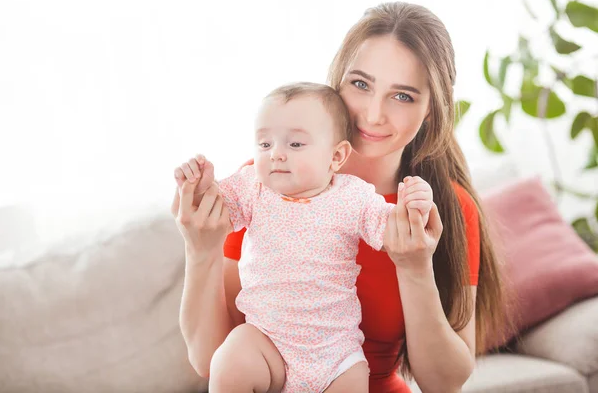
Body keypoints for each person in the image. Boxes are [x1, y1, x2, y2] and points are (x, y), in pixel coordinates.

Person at [172, 1, 508, 393]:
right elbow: (210, 359)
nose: (373, 114)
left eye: (403, 96)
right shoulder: (271, 180)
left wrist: (414, 268)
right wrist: (201, 252)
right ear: (337, 81)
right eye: (361, 84)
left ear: (433, 107)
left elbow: (444, 382)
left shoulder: (444, 208)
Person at [174, 82, 433, 393]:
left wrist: (414, 204)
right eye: (265, 144)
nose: (277, 155)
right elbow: (211, 213)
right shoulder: (252, 188)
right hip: (267, 341)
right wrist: (198, 187)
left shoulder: (353, 197)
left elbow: (395, 231)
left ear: (336, 156)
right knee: (230, 361)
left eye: (295, 145)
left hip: (336, 357)